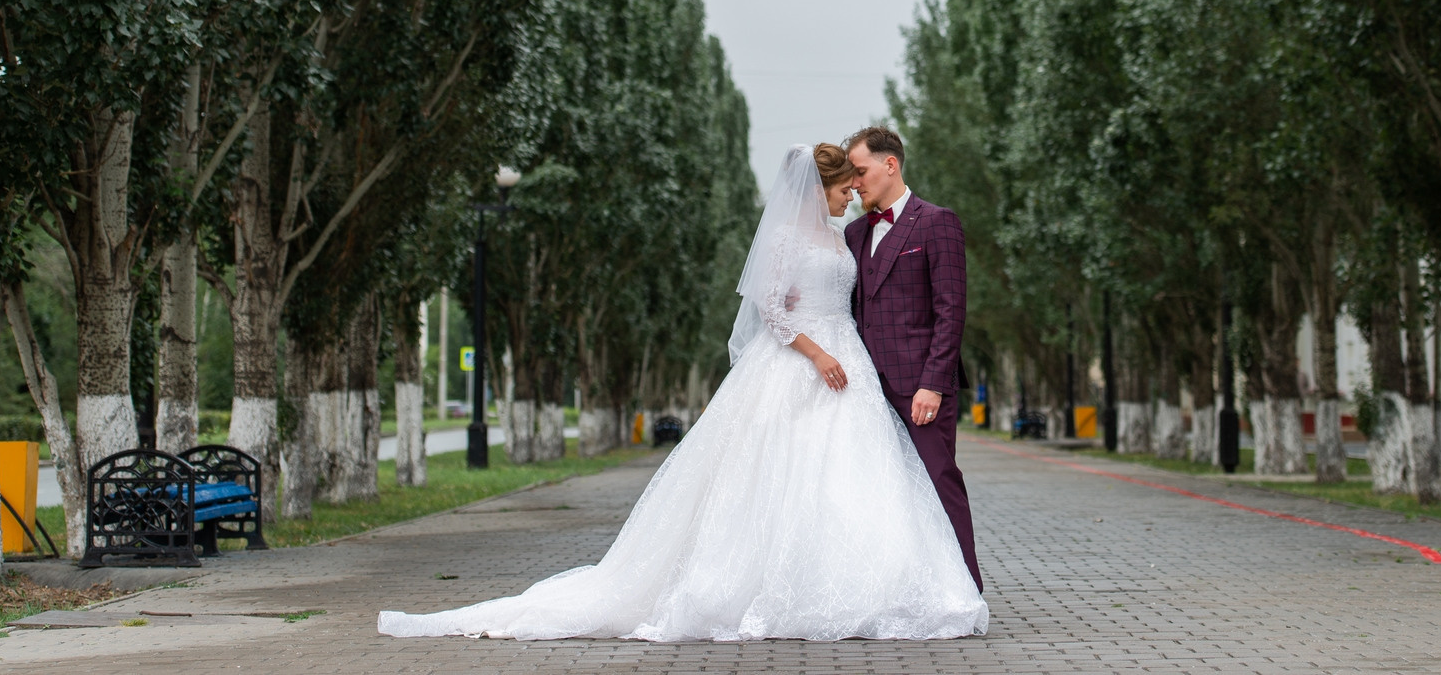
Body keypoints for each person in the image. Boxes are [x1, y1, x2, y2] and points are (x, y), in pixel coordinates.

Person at [377, 143, 988, 643]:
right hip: (809, 363)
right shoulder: (796, 239)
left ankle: (884, 584)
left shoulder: (847, 237)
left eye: (857, 182)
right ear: (817, 187)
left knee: (856, 481)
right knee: (782, 479)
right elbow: (773, 308)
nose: (853, 192)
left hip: (853, 369)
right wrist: (819, 352)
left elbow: (885, 302)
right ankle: (774, 587)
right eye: (844, 184)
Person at [843, 125, 981, 591]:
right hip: (865, 388)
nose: (855, 183)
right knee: (881, 493)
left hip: (920, 387)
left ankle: (965, 589)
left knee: (939, 481)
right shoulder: (854, 233)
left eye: (859, 172)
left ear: (890, 164)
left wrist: (934, 383)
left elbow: (951, 311)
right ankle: (901, 591)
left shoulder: (937, 222)